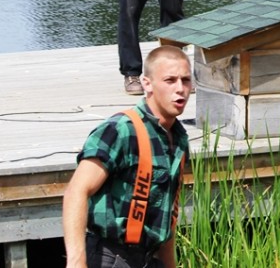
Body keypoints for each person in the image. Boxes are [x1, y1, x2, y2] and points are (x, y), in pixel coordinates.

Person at [62, 45, 192, 268]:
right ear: (147, 84)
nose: (180, 89)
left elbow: (166, 218)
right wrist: (76, 262)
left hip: (147, 258)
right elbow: (76, 191)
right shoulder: (120, 130)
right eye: (170, 80)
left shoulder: (179, 139)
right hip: (110, 257)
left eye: (186, 80)